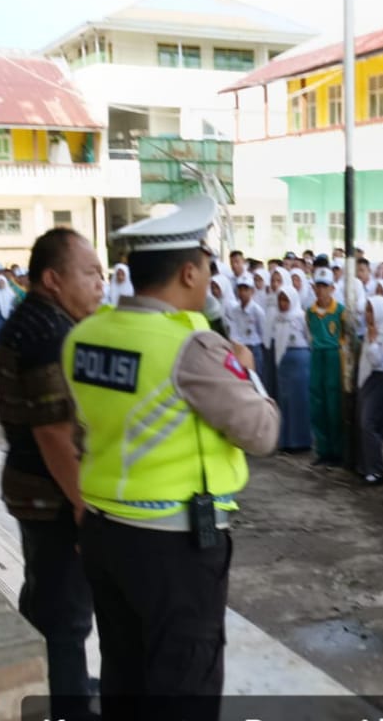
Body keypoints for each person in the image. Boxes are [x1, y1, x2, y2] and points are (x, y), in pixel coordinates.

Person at [65, 196, 279, 718]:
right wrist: (245, 370)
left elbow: (85, 428)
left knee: (126, 674)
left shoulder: (85, 334)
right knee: (184, 684)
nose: (210, 280)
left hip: (103, 532)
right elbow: (263, 431)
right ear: (188, 272)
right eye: (207, 268)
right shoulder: (193, 348)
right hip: (172, 548)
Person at [0, 228, 103, 721]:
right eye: (89, 272)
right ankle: (68, 704)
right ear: (53, 279)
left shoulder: (40, 320)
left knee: (45, 596)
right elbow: (55, 433)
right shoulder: (48, 335)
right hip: (52, 495)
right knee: (66, 616)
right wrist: (84, 509)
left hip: (34, 489)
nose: (100, 283)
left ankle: (53, 681)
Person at [306, 268, 347, 467]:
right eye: (318, 286)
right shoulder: (310, 312)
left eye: (325, 286)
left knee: (334, 404)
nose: (321, 291)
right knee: (317, 402)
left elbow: (347, 336)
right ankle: (323, 449)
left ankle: (337, 450)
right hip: (317, 356)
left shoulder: (340, 311)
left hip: (333, 356)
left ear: (332, 288)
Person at [355, 296, 383, 485]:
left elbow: (378, 360)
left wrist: (372, 342)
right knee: (363, 421)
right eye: (367, 310)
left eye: (372, 311)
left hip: (381, 378)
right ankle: (366, 465)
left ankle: (377, 469)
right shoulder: (371, 331)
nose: (368, 315)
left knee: (369, 422)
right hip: (368, 379)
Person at [270, 286, 313, 454]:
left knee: (299, 400)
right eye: (280, 300)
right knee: (285, 400)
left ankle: (301, 440)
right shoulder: (278, 318)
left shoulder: (301, 316)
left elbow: (309, 337)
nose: (283, 304)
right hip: (284, 361)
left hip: (300, 360)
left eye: (286, 300)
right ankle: (286, 440)